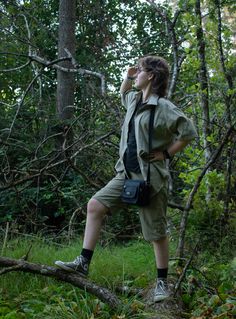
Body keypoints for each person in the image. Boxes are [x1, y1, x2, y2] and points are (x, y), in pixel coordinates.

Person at [55, 55, 197, 302]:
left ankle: (162, 283)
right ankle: (82, 262)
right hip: (125, 174)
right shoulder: (134, 101)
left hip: (150, 180)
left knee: (156, 232)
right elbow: (124, 95)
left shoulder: (163, 107)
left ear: (151, 75)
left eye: (140, 71)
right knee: (95, 205)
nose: (136, 74)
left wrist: (165, 154)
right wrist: (128, 77)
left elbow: (188, 132)